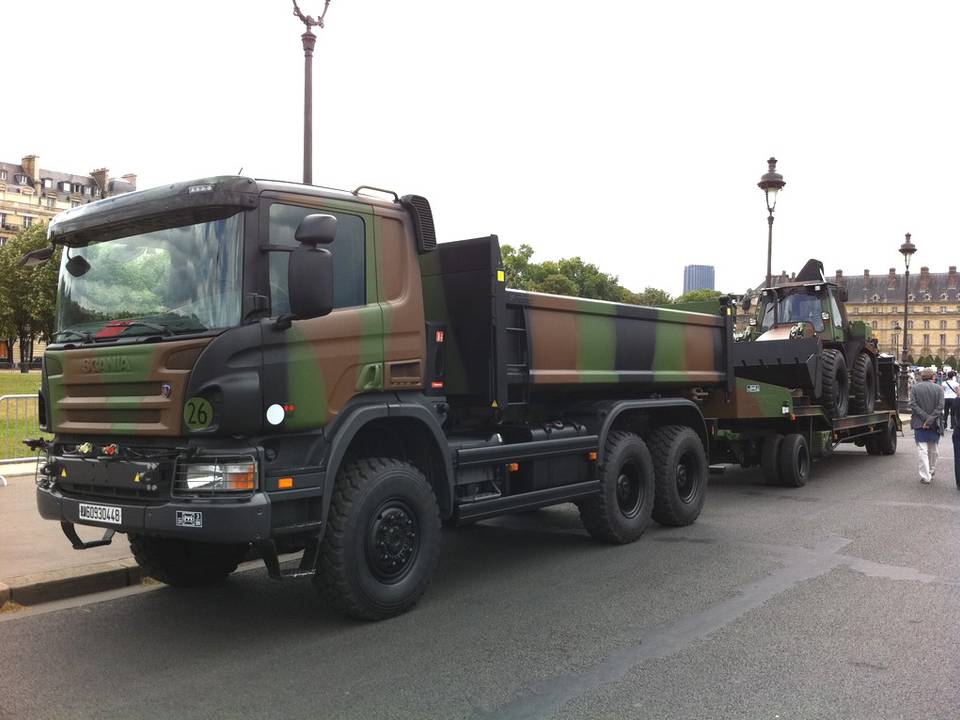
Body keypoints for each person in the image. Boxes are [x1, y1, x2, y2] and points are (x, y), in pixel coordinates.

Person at [910, 367, 944, 484]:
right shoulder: (939, 389)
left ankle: (926, 476)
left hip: (919, 422)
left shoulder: (915, 388)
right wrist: (930, 419)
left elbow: (913, 405)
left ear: (922, 376)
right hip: (934, 423)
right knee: (933, 449)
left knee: (922, 450)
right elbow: (940, 407)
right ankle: (931, 469)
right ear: (933, 377)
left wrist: (925, 418)